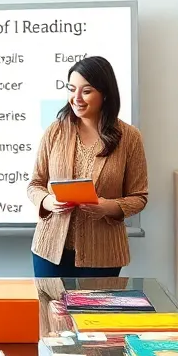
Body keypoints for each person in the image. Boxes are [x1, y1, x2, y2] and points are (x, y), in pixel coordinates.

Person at [27, 56, 148, 277]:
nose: (76, 98)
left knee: (93, 313)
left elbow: (139, 196)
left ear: (105, 94)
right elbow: (35, 184)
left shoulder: (129, 137)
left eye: (86, 91)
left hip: (103, 254)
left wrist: (107, 207)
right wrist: (49, 201)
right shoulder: (55, 131)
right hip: (50, 250)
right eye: (71, 89)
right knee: (51, 312)